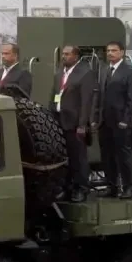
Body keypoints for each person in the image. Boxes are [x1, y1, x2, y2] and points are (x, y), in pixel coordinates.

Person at [93, 40, 132, 198]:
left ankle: (129, 187)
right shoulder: (104, 70)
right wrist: (96, 117)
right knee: (107, 155)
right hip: (105, 121)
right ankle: (111, 186)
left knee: (124, 155)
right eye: (108, 51)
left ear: (122, 52)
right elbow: (100, 96)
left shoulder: (130, 71)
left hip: (121, 121)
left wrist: (125, 119)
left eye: (113, 50)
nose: (110, 53)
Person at [54, 45, 95, 202]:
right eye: (63, 54)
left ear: (76, 56)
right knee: (65, 158)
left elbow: (86, 101)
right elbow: (55, 95)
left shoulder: (85, 73)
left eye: (67, 54)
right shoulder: (60, 73)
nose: (64, 56)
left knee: (78, 157)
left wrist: (82, 125)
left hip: (75, 123)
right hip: (60, 120)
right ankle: (67, 188)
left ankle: (81, 188)